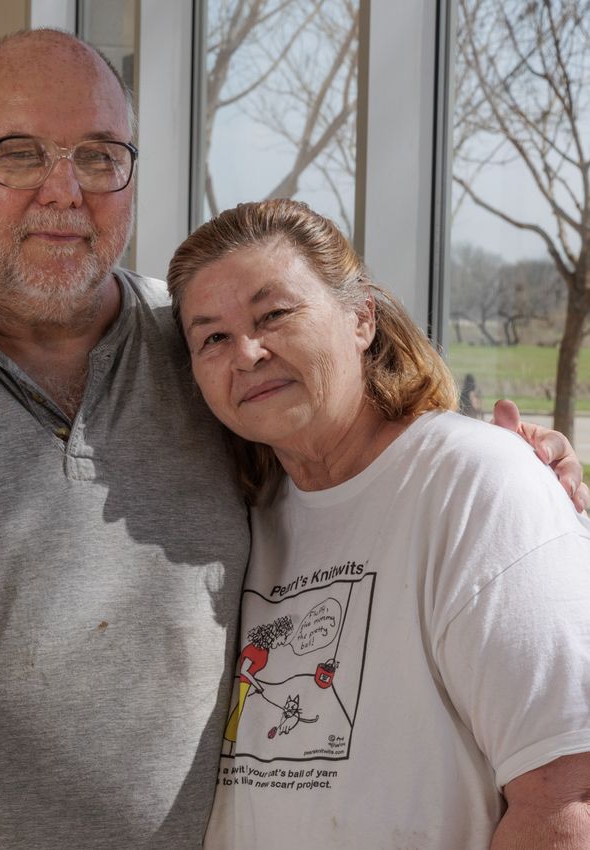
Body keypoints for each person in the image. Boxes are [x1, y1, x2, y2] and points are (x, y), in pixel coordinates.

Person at [0, 28, 583, 850]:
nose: (64, 191)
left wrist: (515, 469)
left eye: (100, 156)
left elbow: (345, 454)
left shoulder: (193, 349)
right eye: (22, 153)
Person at [165, 198, 590, 849]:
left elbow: (566, 798)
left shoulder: (476, 484)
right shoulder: (241, 518)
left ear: (361, 316)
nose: (246, 352)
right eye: (212, 338)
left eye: (273, 314)